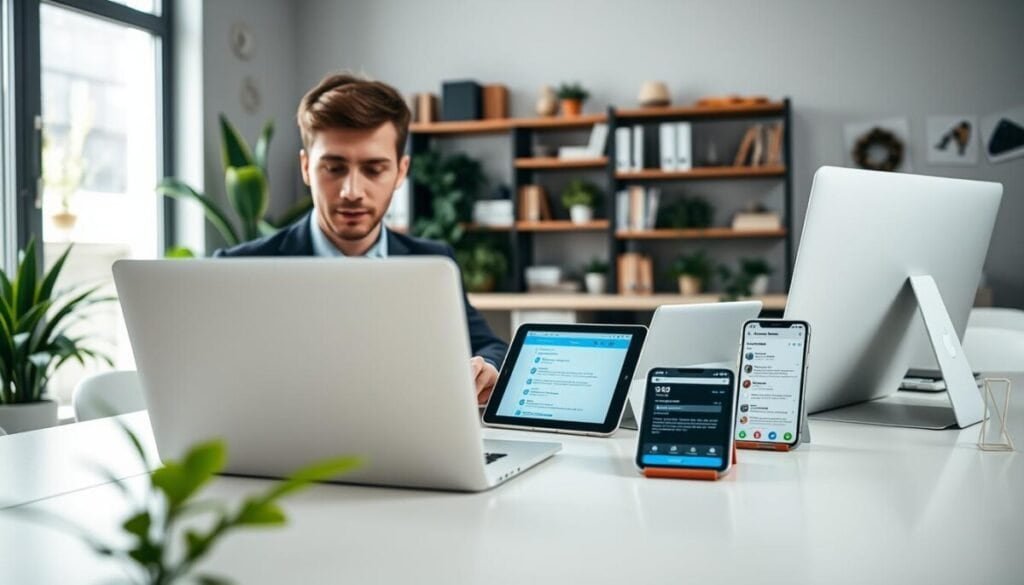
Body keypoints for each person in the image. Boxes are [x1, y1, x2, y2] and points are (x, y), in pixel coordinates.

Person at [215, 73, 507, 404]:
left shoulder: (432, 263)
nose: (352, 192)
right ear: (306, 167)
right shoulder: (238, 268)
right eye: (334, 168)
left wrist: (487, 368)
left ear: (400, 172)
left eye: (374, 169)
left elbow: (488, 345)